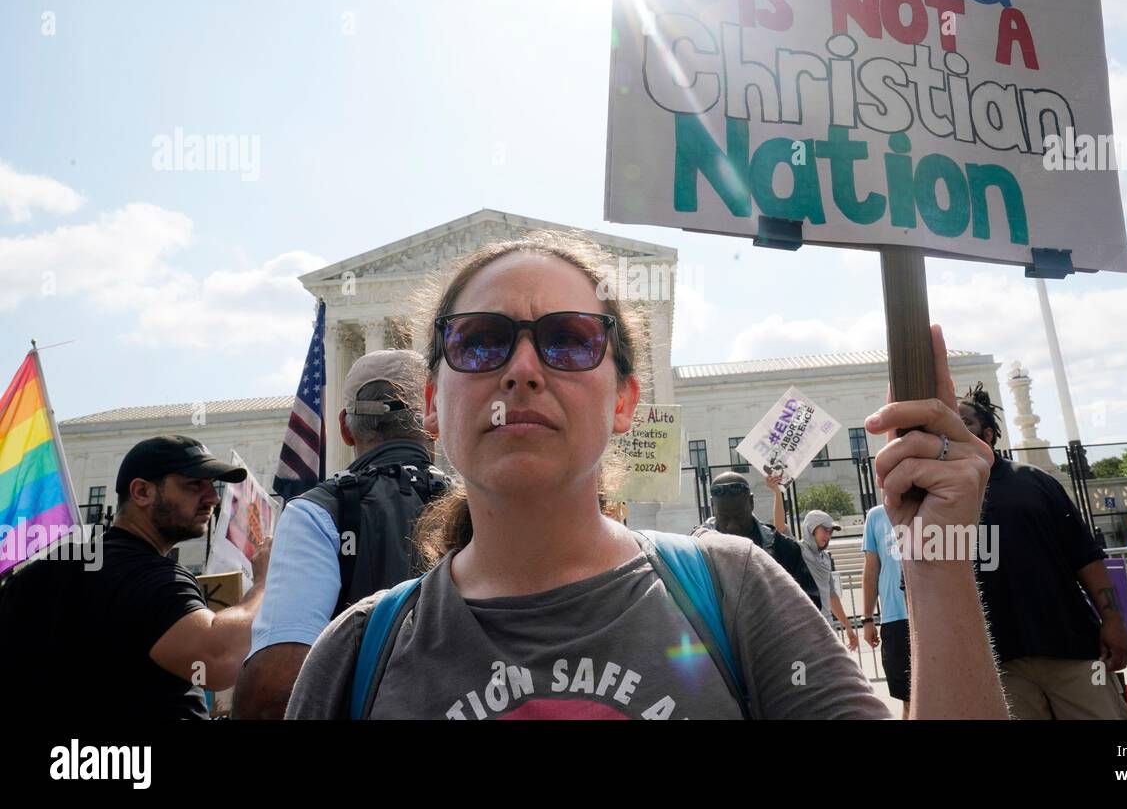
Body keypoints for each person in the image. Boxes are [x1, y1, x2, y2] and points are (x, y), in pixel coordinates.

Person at [286, 234, 1005, 719]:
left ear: (627, 401)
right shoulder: (355, 656)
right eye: (478, 343)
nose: (523, 370)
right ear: (432, 409)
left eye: (570, 341)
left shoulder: (735, 590)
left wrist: (936, 570)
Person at [233, 349, 449, 719]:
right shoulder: (482, 508)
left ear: (345, 428)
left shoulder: (317, 512)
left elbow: (274, 690)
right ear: (434, 423)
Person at [0, 436, 269, 718]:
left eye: (212, 486)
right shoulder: (150, 575)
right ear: (142, 492)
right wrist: (265, 581)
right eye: (194, 484)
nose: (212, 497)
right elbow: (217, 660)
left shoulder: (43, 571)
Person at [962, 385, 1127, 719]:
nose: (953, 429)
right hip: (998, 661)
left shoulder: (1034, 481)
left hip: (1075, 649)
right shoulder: (936, 498)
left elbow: (1085, 556)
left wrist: (1113, 620)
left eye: (964, 422)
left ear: (989, 434)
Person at [695, 470, 822, 612]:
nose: (732, 526)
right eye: (724, 518)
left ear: (751, 502)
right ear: (713, 506)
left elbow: (811, 604)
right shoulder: (696, 551)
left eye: (739, 517)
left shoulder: (782, 548)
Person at [862, 502, 910, 716]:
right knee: (908, 697)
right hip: (895, 620)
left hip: (930, 616)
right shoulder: (876, 516)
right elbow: (871, 568)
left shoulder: (929, 503)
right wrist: (867, 618)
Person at [799, 509, 860, 651]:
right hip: (806, 628)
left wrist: (848, 626)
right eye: (824, 530)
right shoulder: (798, 550)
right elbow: (780, 527)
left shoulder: (826, 558)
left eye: (831, 531)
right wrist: (777, 494)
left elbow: (831, 595)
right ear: (811, 528)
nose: (828, 535)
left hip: (827, 627)